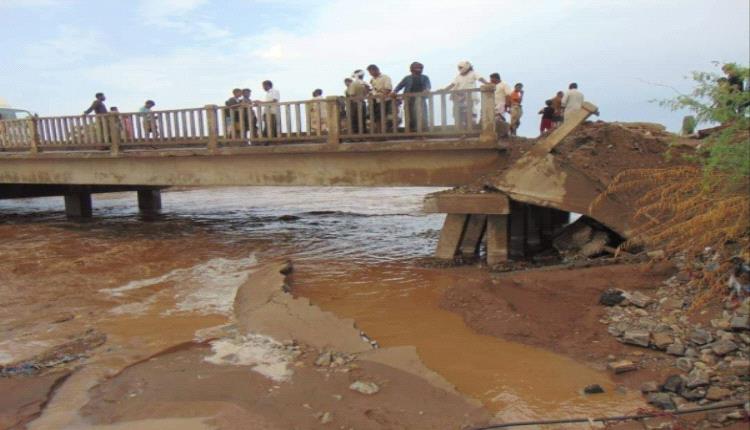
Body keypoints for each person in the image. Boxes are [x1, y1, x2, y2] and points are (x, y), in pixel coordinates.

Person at [443, 61, 488, 129]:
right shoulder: (458, 76)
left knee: (470, 114)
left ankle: (470, 130)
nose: (460, 69)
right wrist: (444, 90)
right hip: (459, 98)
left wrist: (487, 83)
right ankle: (461, 132)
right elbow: (452, 84)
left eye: (461, 67)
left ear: (466, 67)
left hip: (469, 98)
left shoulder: (473, 73)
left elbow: (480, 78)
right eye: (459, 68)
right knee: (459, 115)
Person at [367, 64, 393, 132]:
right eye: (369, 72)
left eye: (371, 72)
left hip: (384, 100)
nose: (370, 74)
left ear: (376, 70)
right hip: (375, 101)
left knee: (383, 117)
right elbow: (373, 90)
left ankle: (384, 132)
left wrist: (381, 93)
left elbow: (388, 89)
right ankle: (379, 132)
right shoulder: (372, 79)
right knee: (376, 117)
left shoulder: (385, 77)